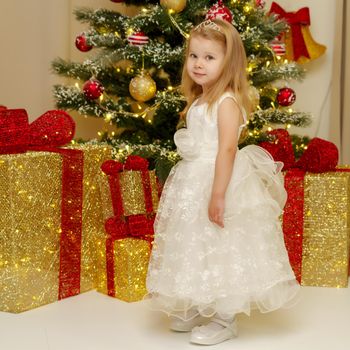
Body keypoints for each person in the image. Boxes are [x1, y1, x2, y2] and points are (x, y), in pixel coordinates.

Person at [144, 18, 300, 346]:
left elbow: (227, 149)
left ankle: (224, 319)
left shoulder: (226, 102)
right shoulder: (200, 100)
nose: (199, 64)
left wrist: (217, 194)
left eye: (209, 57)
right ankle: (200, 304)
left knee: (221, 245)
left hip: (220, 179)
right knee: (194, 242)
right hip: (194, 178)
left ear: (228, 63)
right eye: (194, 56)